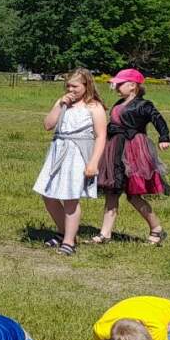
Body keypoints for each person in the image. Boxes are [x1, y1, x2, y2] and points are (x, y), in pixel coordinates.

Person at [32, 69, 107, 255]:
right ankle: (63, 231)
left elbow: (101, 136)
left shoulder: (94, 107)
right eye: (68, 85)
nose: (71, 89)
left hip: (78, 154)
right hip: (58, 151)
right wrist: (60, 105)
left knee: (70, 197)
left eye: (75, 86)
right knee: (48, 194)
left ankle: (69, 242)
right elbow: (48, 125)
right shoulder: (63, 102)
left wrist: (93, 163)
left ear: (86, 86)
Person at [93, 69, 170, 246]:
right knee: (112, 190)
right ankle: (104, 234)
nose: (116, 87)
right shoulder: (118, 103)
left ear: (133, 86)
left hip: (134, 150)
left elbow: (158, 119)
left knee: (133, 195)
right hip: (114, 148)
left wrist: (164, 137)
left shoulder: (144, 105)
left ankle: (156, 229)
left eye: (120, 84)